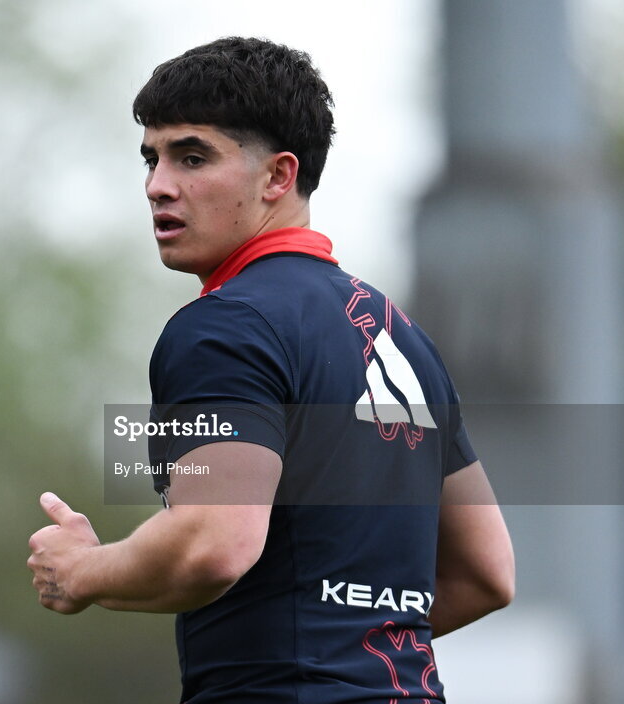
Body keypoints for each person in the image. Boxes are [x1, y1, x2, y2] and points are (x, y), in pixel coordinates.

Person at [28, 37, 514, 703]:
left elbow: (216, 542)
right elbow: (486, 573)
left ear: (278, 177)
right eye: (151, 158)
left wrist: (84, 570)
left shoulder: (224, 328)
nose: (158, 185)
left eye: (192, 157)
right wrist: (344, 644)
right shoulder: (403, 338)